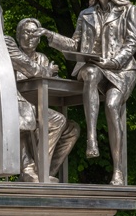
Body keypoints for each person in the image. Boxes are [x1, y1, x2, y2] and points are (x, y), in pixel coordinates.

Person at [41, 0, 136, 186]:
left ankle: (117, 172)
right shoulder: (86, 15)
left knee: (113, 105)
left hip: (121, 70)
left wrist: (113, 62)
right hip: (95, 67)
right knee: (91, 73)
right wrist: (50, 36)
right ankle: (91, 138)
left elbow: (131, 44)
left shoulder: (128, 10)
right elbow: (74, 43)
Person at [5, 17, 80, 183]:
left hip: (37, 106)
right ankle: (36, 172)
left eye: (34, 33)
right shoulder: (11, 53)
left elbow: (46, 83)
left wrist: (48, 73)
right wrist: (46, 71)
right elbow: (31, 71)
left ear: (39, 38)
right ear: (18, 36)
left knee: (72, 128)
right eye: (26, 32)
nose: (30, 37)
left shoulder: (42, 58)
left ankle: (44, 173)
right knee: (57, 120)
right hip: (17, 106)